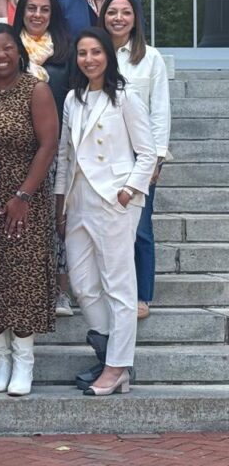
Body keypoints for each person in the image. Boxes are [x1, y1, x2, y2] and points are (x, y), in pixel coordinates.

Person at [55, 28, 157, 396]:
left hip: (115, 199)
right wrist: (59, 200)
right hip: (79, 199)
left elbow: (148, 151)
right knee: (83, 284)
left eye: (96, 52)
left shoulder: (125, 96)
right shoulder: (72, 98)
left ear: (107, 56)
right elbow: (67, 154)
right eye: (82, 53)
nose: (89, 59)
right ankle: (110, 353)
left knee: (119, 286)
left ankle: (115, 368)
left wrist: (129, 190)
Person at [0, 24, 59, 397]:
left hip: (25, 197)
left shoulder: (36, 90)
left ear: (19, 52)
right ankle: (0, 358)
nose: (0, 55)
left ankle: (24, 361)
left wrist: (23, 195)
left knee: (22, 278)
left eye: (6, 49)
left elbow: (48, 145)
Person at [100, 0, 171, 321]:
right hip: (102, 156)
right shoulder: (94, 54)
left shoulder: (150, 58)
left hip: (140, 157)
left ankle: (143, 295)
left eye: (125, 12)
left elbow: (160, 111)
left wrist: (157, 157)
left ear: (135, 18)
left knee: (140, 228)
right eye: (112, 12)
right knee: (107, 227)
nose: (118, 18)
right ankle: (109, 290)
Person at [13, 0, 76, 317]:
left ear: (53, 14)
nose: (37, 15)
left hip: (58, 143)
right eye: (31, 8)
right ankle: (22, 285)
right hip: (16, 146)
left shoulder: (66, 51)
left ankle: (60, 290)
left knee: (57, 215)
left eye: (44, 9)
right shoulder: (9, 48)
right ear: (22, 11)